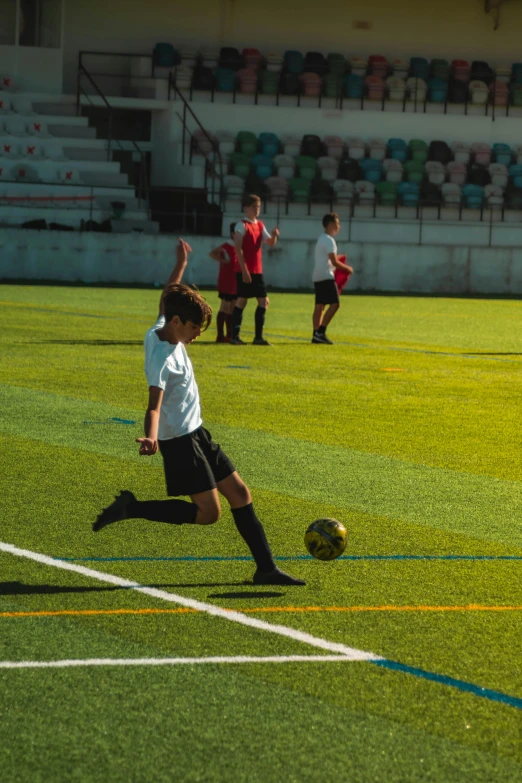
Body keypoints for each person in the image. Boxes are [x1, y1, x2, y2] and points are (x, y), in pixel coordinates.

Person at [93, 238, 305, 587]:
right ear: (177, 322)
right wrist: (150, 435)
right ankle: (132, 507)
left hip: (197, 432)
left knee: (240, 493)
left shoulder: (164, 321)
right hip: (178, 441)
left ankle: (266, 569)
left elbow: (167, 294)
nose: (195, 337)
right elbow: (153, 404)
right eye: (193, 330)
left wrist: (180, 263)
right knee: (209, 514)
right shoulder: (161, 357)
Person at [231, 194, 279, 346]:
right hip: (245, 270)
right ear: (246, 208)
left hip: (257, 271)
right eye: (254, 207)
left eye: (258, 207)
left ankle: (258, 337)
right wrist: (244, 270)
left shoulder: (259, 225)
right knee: (242, 301)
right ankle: (235, 336)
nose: (257, 210)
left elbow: (269, 242)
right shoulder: (241, 225)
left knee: (263, 301)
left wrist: (274, 236)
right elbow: (238, 248)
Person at [312, 213, 353, 345]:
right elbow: (334, 262)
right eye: (337, 224)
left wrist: (338, 257)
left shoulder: (321, 238)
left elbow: (327, 258)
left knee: (320, 305)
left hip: (317, 276)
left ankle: (315, 333)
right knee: (335, 304)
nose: (339, 227)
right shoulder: (330, 240)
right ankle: (321, 332)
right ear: (330, 225)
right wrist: (347, 268)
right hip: (326, 276)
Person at [208, 222, 238, 343]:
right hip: (227, 280)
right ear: (232, 234)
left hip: (235, 280)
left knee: (232, 307)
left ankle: (229, 335)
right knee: (225, 306)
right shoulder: (227, 245)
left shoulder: (239, 246)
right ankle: (220, 335)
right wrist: (223, 260)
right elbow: (212, 253)